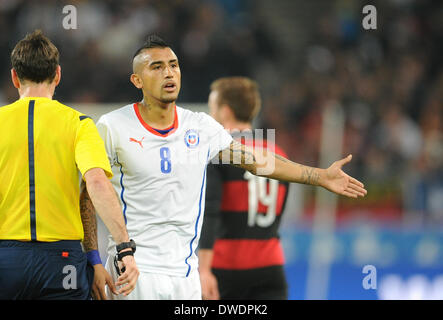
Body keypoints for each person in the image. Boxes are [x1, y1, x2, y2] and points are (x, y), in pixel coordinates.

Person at [84, 34, 367, 300]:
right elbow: (87, 191)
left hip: (186, 276)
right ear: (137, 80)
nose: (168, 73)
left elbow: (257, 161)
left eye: (173, 65)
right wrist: (94, 259)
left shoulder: (201, 126)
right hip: (133, 270)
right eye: (156, 67)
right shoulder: (112, 126)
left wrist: (319, 176)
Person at [0, 30, 139, 300]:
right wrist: (123, 248)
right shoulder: (79, 124)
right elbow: (96, 183)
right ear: (58, 75)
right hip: (62, 261)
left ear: (14, 77)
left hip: (6, 260)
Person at [198, 76, 291, 300]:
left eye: (213, 109)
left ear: (226, 111)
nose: (211, 116)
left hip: (227, 269)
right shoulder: (277, 153)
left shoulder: (221, 153)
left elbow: (210, 213)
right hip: (271, 267)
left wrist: (203, 270)